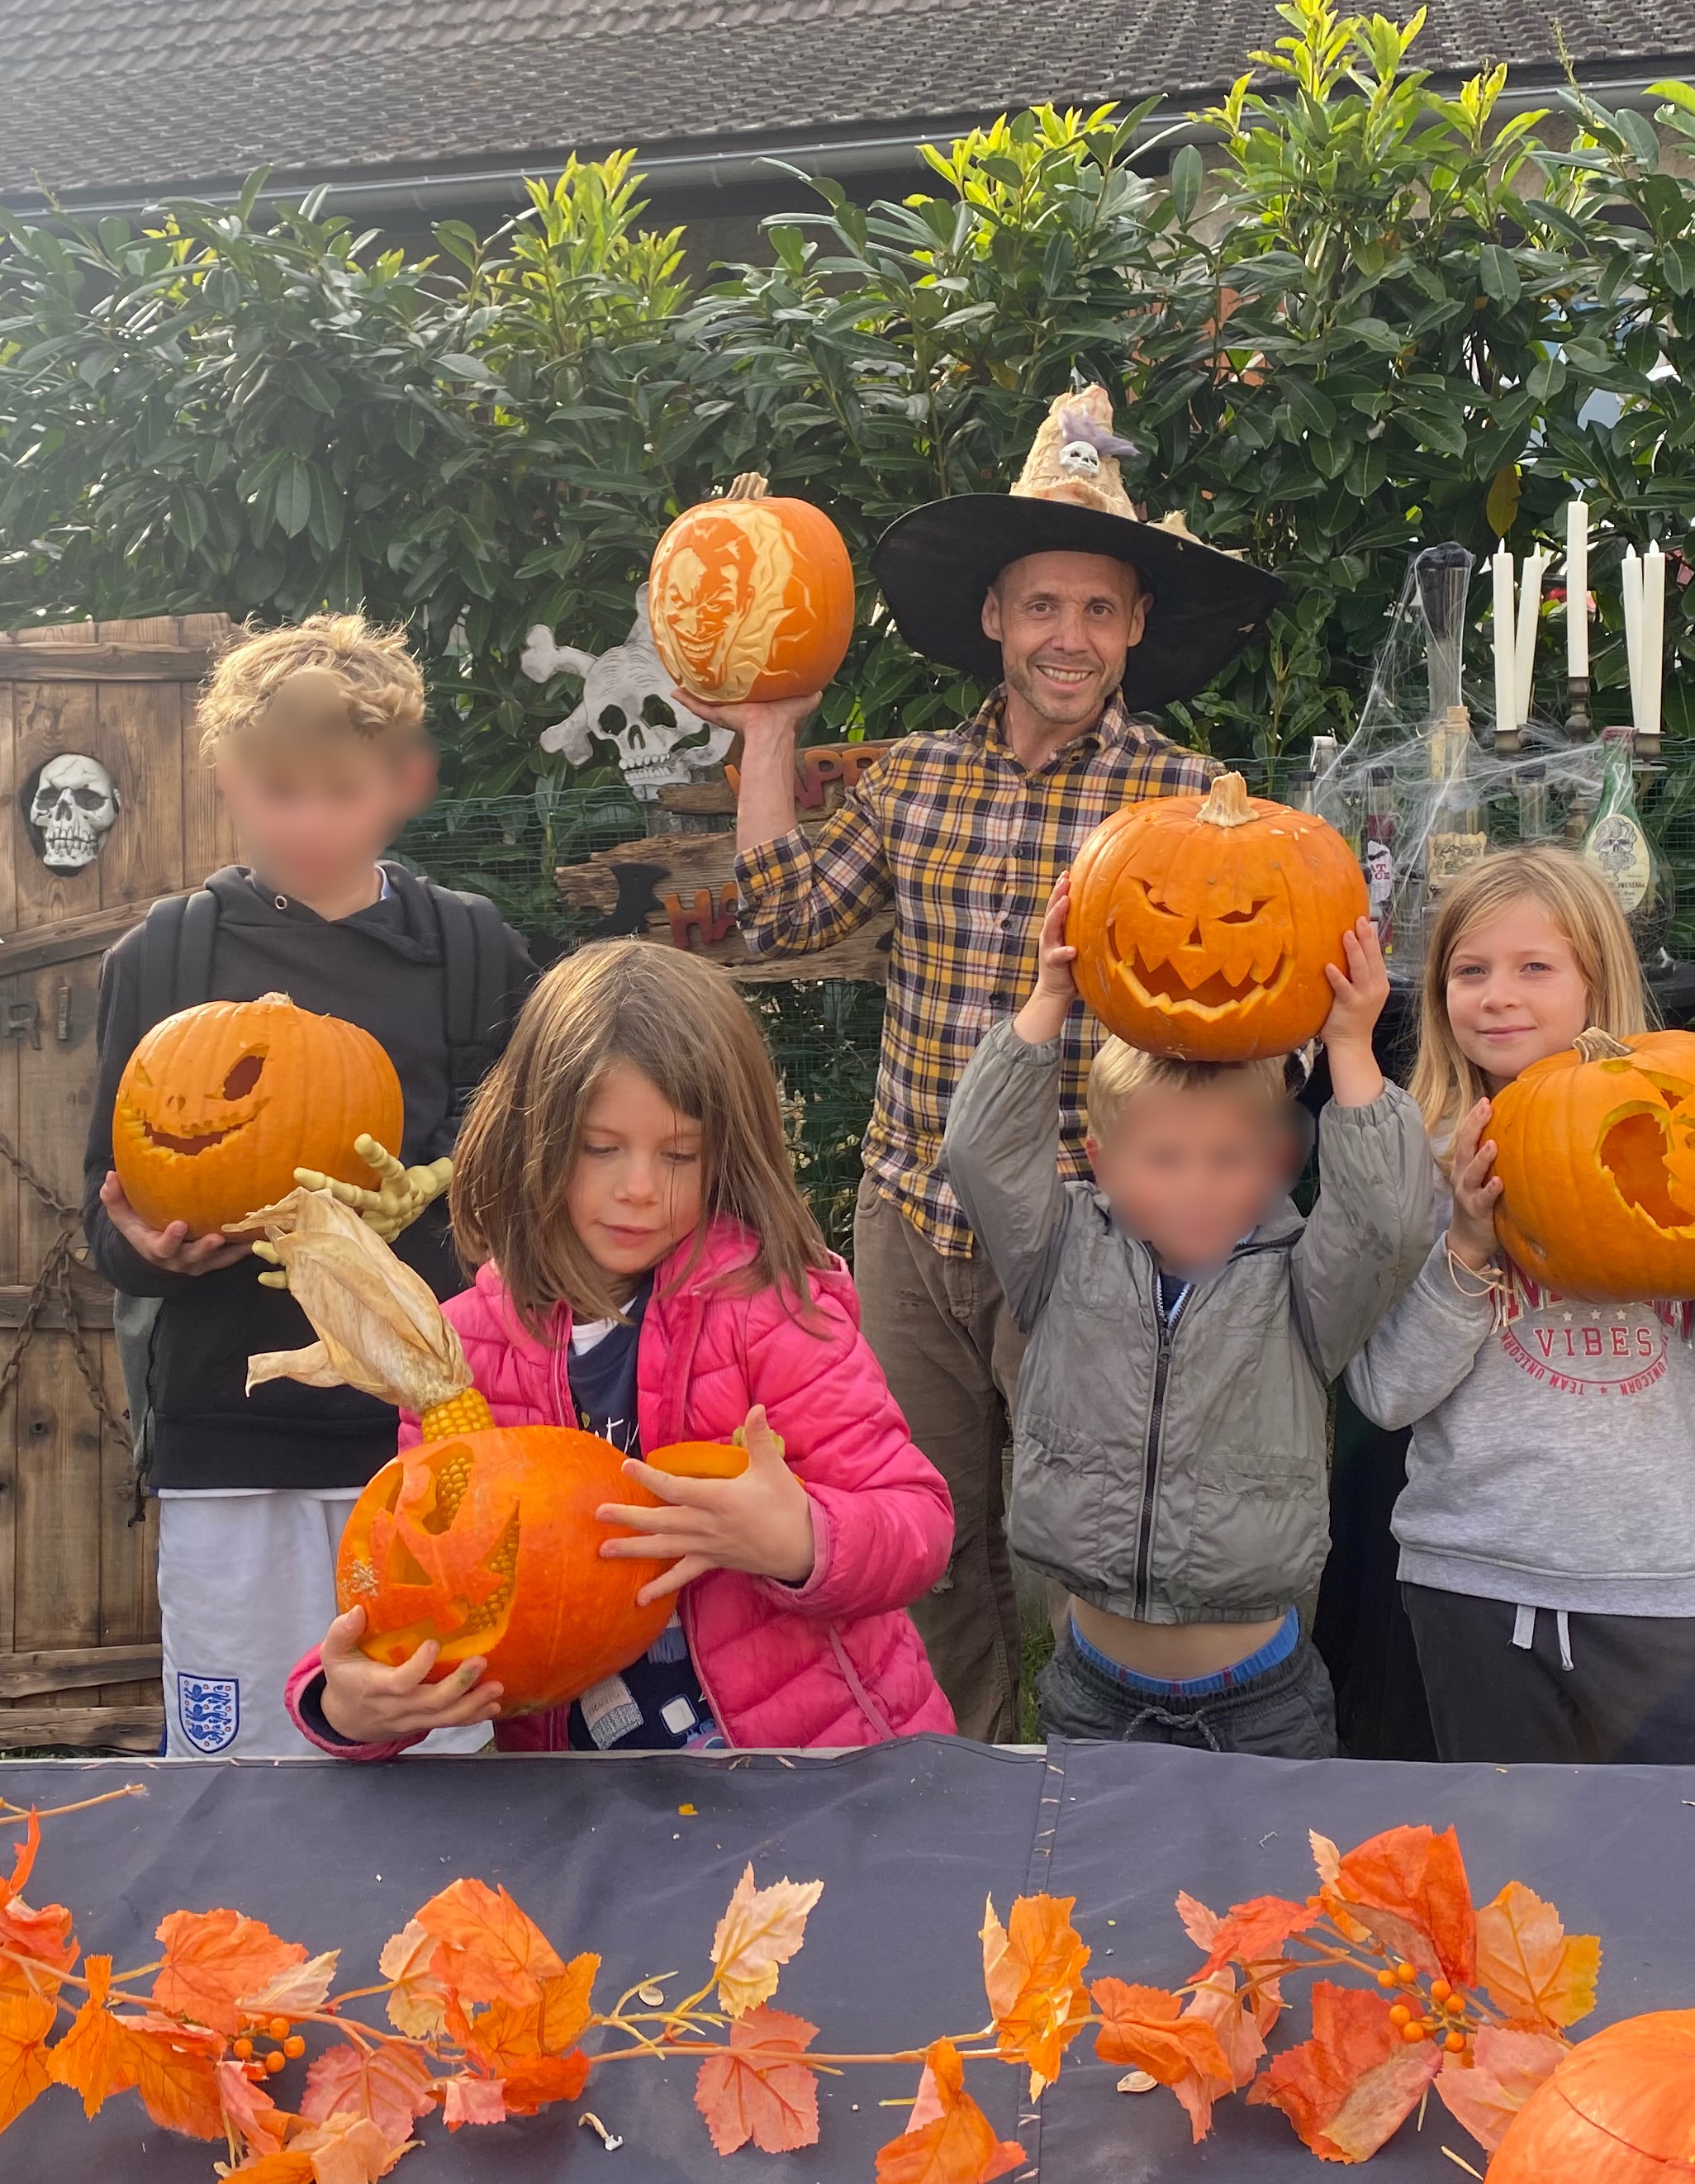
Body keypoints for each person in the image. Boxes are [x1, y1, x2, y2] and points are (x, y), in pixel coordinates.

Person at [689, 385, 1280, 1739]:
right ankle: (949, 1782)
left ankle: (1098, 1784)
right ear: (994, 619)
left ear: (1131, 626)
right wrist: (769, 725)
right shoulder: (909, 781)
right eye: (1040, 605)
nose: (1065, 636)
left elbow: (1236, 1008)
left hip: (1090, 1224)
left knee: (1087, 1535)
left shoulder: (1185, 804)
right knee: (919, 1536)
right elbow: (783, 909)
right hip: (908, 1216)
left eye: (1095, 609)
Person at [286, 942, 955, 1754]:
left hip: (806, 1772)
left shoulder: (774, 1309)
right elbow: (418, 1573)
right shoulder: (461, 1354)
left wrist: (801, 1542)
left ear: (725, 1154)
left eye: (678, 1154)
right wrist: (344, 1704)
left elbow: (915, 1524)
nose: (639, 1187)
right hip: (577, 1800)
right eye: (602, 1148)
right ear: (535, 1137)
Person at [82, 615, 535, 1759]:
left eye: (343, 792)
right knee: (239, 1766)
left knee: (435, 1743)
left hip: (426, 1442)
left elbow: (518, 1184)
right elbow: (111, 1205)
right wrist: (152, 1251)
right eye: (281, 792)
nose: (313, 823)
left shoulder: (470, 954)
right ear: (229, 781)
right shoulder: (164, 960)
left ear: (396, 785)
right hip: (225, 1444)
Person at [942, 879, 1431, 1754]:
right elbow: (978, 1154)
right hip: (1094, 1692)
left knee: (1271, 1891)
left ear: (1277, 1164)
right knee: (1098, 1889)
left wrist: (1350, 1044)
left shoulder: (1300, 1285)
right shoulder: (1058, 1253)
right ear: (1101, 1160)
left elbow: (1387, 1222)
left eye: (1229, 1160)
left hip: (1260, 1701)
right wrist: (1049, 999)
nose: (1197, 1188)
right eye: (1164, 1159)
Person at [1349, 847, 1695, 1767]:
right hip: (1472, 1578)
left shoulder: (1683, 1134)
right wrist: (1468, 1253)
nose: (1498, 995)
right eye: (1469, 972)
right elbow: (1387, 1393)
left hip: (1656, 1584)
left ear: (1596, 985)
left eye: (1535, 968)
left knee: (1689, 1844)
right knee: (1505, 1862)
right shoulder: (1427, 1163)